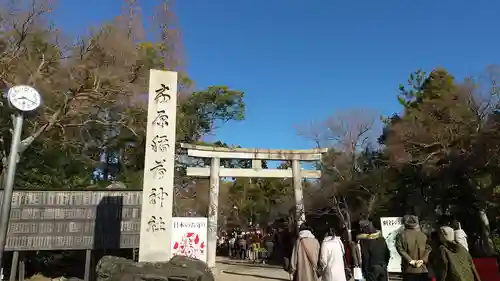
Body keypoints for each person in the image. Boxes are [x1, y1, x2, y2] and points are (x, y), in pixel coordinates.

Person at [395, 215, 432, 281]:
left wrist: (410, 261)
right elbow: (428, 248)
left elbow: (399, 248)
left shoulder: (401, 235)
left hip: (408, 270)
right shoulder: (423, 235)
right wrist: (422, 260)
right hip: (423, 269)